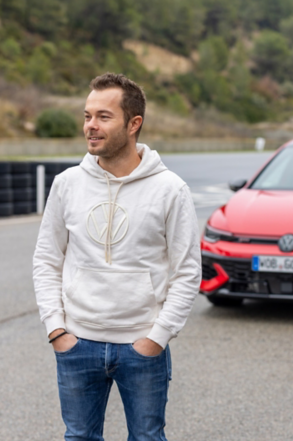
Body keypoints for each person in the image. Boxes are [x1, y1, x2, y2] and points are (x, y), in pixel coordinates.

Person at [33, 73, 201, 441]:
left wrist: (157, 337)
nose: (90, 126)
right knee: (78, 437)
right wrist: (56, 329)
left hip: (141, 347)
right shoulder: (67, 184)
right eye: (87, 115)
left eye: (103, 117)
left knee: (146, 439)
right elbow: (46, 259)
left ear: (133, 123)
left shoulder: (170, 190)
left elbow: (187, 272)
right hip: (76, 342)